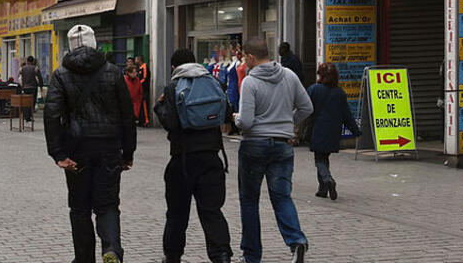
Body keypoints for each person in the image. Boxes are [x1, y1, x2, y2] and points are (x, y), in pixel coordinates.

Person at [44, 24, 136, 263]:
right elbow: (127, 113)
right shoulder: (112, 71)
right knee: (107, 205)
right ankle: (112, 250)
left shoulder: (61, 73)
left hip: (77, 150)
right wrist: (128, 152)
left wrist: (58, 153)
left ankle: (84, 258)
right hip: (108, 148)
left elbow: (52, 115)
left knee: (80, 208)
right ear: (95, 43)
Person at [234, 37, 313, 263]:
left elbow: (246, 122)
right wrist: (288, 123)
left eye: (244, 57)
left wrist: (236, 119)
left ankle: (252, 255)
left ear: (251, 57)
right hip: (282, 145)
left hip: (254, 146)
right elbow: (307, 107)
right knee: (282, 197)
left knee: (249, 201)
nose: (243, 62)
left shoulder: (250, 82)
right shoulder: (289, 75)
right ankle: (296, 240)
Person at [153, 48, 233, 263]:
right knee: (212, 211)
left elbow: (170, 123)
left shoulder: (172, 87)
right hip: (211, 159)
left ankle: (172, 256)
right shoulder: (213, 81)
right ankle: (222, 254)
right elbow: (226, 114)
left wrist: (159, 107)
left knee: (177, 214)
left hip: (183, 160)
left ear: (173, 68)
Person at [305, 62, 361, 201]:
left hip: (318, 128)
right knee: (324, 157)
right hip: (333, 130)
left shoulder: (314, 90)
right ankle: (322, 189)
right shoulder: (340, 93)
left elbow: (303, 107)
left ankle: (327, 179)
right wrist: (356, 132)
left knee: (319, 159)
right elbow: (347, 115)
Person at [123, 61, 147, 127]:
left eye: (136, 72)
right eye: (133, 73)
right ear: (128, 73)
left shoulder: (137, 80)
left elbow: (140, 92)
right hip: (127, 104)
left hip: (135, 104)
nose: (135, 74)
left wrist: (138, 101)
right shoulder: (124, 80)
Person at [19, 56, 42, 123]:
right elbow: (39, 78)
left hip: (25, 88)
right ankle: (29, 116)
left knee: (26, 102)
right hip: (33, 87)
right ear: (33, 61)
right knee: (32, 102)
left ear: (27, 61)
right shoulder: (35, 68)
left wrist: (22, 86)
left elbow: (20, 78)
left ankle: (26, 116)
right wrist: (41, 86)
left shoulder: (22, 68)